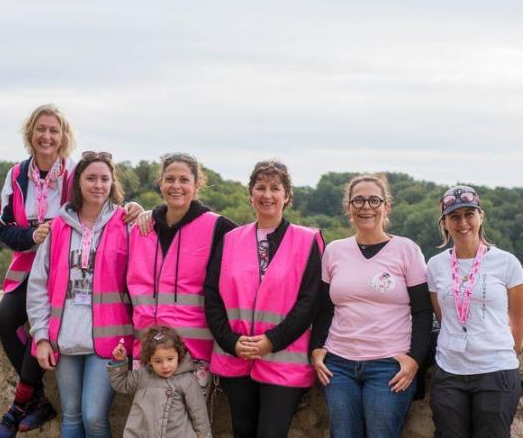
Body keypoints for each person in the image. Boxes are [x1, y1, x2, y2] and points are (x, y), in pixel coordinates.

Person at [0, 105, 141, 437]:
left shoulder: (76, 172)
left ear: (64, 137)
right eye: (40, 129)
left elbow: (108, 203)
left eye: (54, 130)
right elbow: (1, 226)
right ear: (30, 133)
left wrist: (136, 209)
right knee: (6, 317)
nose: (46, 136)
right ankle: (33, 397)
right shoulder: (18, 176)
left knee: (91, 415)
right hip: (37, 270)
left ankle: (24, 400)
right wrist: (32, 235)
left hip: (98, 318)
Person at [205, 159, 324, 438]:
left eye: (275, 188)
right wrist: (231, 341)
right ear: (250, 195)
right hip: (236, 353)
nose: (267, 195)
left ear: (287, 196)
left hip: (284, 357)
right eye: (260, 187)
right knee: (242, 431)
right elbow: (212, 295)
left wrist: (272, 341)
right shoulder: (230, 239)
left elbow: (310, 301)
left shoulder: (308, 240)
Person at [311, 174, 433, 438]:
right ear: (349, 207)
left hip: (388, 366)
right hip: (338, 366)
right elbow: (324, 309)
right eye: (359, 200)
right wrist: (316, 348)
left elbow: (423, 311)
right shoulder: (334, 251)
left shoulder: (406, 250)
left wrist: (414, 360)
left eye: (374, 200)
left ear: (386, 206)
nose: (366, 206)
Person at [26, 151, 135, 438]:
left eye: (104, 179)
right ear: (78, 183)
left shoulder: (126, 223)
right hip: (65, 338)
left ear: (112, 183)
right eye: (91, 178)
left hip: (110, 340)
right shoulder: (59, 226)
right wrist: (41, 337)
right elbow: (38, 283)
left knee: (94, 416)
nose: (98, 185)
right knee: (71, 418)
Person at [127, 152, 236, 395]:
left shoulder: (218, 227)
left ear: (197, 185)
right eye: (170, 179)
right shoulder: (142, 229)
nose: (176, 186)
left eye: (184, 180)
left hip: (193, 356)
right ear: (161, 183)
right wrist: (138, 210)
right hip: (147, 352)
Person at [427, 185, 523, 438]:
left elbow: (518, 320)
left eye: (469, 214)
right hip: (450, 371)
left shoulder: (507, 263)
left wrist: (500, 352)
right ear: (445, 223)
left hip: (496, 371)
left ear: (480, 217)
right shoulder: (435, 265)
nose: (463, 222)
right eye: (454, 216)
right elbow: (443, 316)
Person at [107, 325, 212, 438]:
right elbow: (121, 383)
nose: (165, 366)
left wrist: (204, 435)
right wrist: (119, 361)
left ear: (179, 354)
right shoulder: (142, 375)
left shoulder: (187, 379)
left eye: (170, 359)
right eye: (158, 361)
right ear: (149, 360)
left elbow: (199, 413)